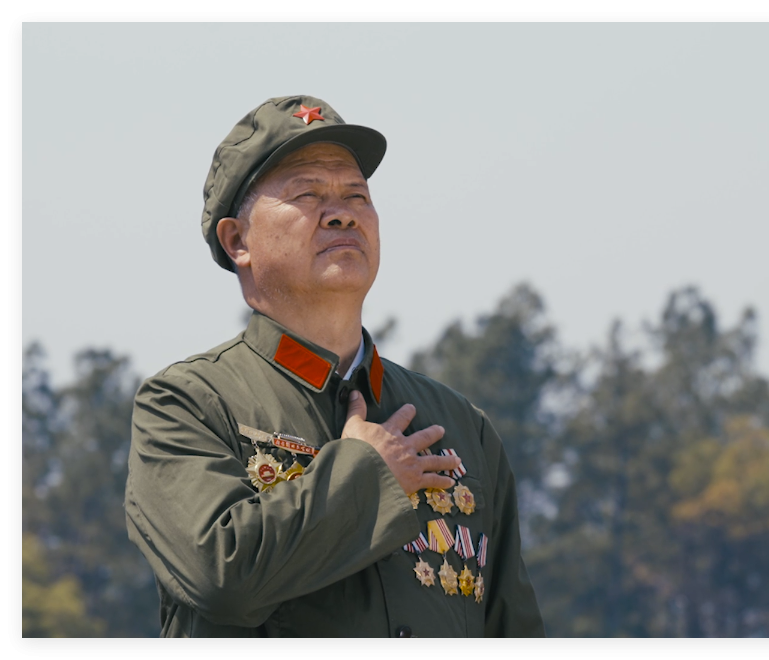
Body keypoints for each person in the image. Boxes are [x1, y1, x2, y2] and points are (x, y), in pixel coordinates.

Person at [124, 95, 545, 638]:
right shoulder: (187, 404)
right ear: (237, 240)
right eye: (307, 194)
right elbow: (220, 577)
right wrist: (365, 473)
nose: (342, 212)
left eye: (356, 195)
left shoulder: (462, 427)